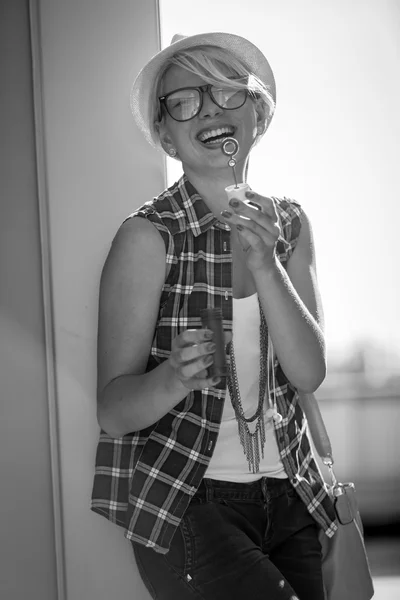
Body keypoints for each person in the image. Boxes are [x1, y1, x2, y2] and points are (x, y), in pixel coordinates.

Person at [91, 32, 337, 600]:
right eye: (183, 102)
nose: (205, 109)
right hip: (189, 504)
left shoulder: (290, 228)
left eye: (225, 92)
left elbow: (309, 374)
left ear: (258, 110)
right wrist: (173, 377)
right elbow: (113, 411)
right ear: (166, 134)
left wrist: (267, 265)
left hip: (293, 498)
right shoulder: (149, 237)